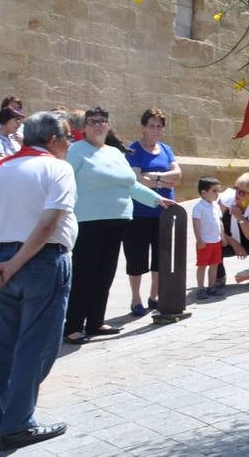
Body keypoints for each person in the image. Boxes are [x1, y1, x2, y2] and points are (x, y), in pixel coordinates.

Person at [0, 111, 76, 449]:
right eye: (68, 138)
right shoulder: (57, 168)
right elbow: (46, 226)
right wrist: (13, 265)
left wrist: (0, 265)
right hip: (41, 263)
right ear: (53, 141)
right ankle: (18, 421)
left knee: (2, 346)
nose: (70, 145)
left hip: (0, 261)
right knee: (36, 346)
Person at [64, 107, 173, 343]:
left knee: (105, 274)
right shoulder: (76, 151)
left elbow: (130, 185)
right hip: (88, 221)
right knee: (85, 274)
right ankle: (73, 326)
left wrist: (156, 199)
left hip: (118, 220)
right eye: (93, 121)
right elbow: (64, 183)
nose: (98, 125)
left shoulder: (115, 153)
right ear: (84, 126)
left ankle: (95, 322)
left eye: (102, 121)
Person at [123, 107, 182, 316]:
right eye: (151, 126)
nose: (155, 130)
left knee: (161, 256)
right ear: (143, 127)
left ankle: (154, 295)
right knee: (137, 257)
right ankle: (136, 298)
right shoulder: (133, 150)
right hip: (139, 212)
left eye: (159, 126)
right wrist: (163, 178)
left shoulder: (166, 149)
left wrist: (153, 176)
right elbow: (138, 179)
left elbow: (177, 174)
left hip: (164, 211)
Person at [192, 178, 224, 299]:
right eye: (214, 191)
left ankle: (211, 287)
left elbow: (219, 222)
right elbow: (196, 224)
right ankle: (201, 288)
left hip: (216, 241)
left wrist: (223, 236)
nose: (217, 194)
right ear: (204, 193)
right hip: (205, 242)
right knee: (202, 266)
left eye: (218, 191)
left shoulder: (216, 205)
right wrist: (199, 239)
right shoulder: (198, 207)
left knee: (214, 264)